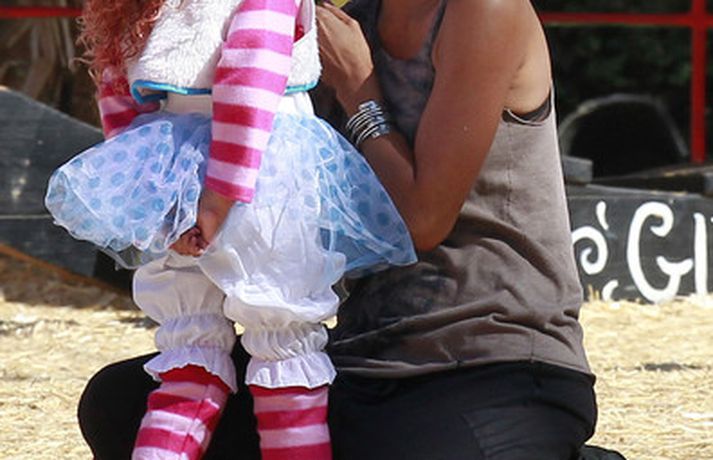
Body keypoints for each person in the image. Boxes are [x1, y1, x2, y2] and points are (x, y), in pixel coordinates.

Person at [76, 0, 598, 459]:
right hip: (360, 356)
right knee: (117, 404)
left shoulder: (483, 10)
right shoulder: (341, 22)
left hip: (493, 357)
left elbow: (423, 222)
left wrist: (358, 89)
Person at [45, 0, 415, 459]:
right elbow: (251, 68)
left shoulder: (139, 7)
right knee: (286, 355)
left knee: (188, 359)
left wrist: (154, 204)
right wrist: (220, 195)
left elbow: (115, 86)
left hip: (172, 170)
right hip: (263, 175)